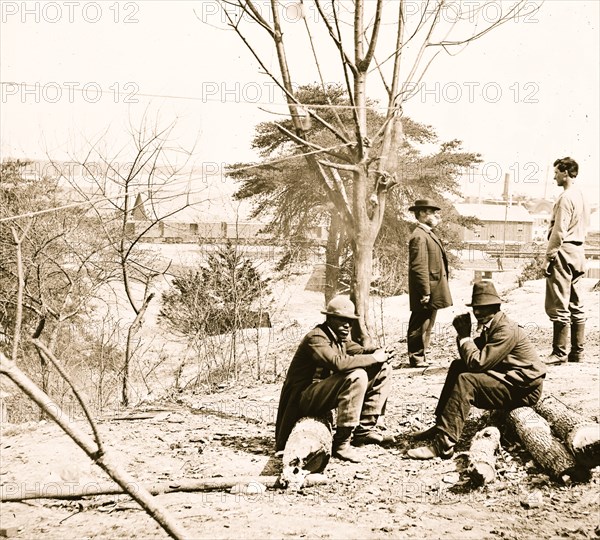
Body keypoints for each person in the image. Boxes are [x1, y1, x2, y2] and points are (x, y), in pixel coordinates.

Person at [407, 281, 546, 460]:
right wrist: (464, 337)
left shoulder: (505, 329)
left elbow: (477, 363)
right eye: (476, 308)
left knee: (467, 380)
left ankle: (444, 444)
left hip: (523, 390)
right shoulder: (493, 325)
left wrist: (465, 336)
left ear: (496, 307)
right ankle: (442, 424)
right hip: (509, 380)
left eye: (483, 308)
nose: (478, 312)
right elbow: (468, 358)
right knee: (458, 366)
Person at [275, 296, 392, 463]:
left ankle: (363, 431)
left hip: (318, 395)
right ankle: (342, 443)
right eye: (342, 320)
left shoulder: (340, 338)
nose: (347, 326)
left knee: (383, 368)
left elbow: (360, 352)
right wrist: (374, 357)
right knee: (357, 375)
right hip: (302, 399)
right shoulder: (316, 338)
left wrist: (380, 352)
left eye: (350, 322)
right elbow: (338, 363)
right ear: (329, 319)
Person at [544, 157, 589, 365]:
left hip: (564, 251)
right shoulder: (581, 196)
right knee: (576, 303)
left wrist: (549, 256)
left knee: (558, 303)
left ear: (565, 172)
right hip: (579, 251)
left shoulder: (565, 198)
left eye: (556, 172)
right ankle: (577, 352)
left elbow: (559, 231)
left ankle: (559, 353)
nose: (554, 176)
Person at [406, 199, 452, 368]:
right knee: (419, 323)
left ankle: (422, 355)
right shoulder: (419, 236)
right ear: (423, 214)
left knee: (427, 322)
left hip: (432, 287)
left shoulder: (427, 233)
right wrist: (425, 291)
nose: (436, 215)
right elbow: (418, 266)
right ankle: (416, 358)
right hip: (427, 289)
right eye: (432, 212)